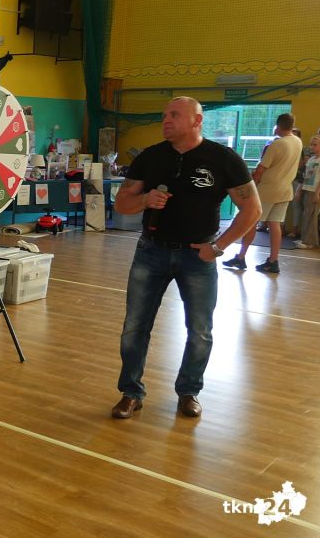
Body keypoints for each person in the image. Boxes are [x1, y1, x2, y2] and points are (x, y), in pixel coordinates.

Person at [110, 96, 260, 420]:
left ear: (197, 120)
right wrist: (145, 200)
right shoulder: (150, 157)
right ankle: (130, 393)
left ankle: (188, 392)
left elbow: (253, 208)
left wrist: (218, 247)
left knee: (200, 330)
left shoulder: (223, 159)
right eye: (165, 115)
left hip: (198, 257)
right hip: (151, 252)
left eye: (175, 115)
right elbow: (121, 203)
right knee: (134, 327)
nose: (166, 120)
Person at [223, 113, 302, 273]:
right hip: (285, 190)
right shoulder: (297, 141)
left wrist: (252, 185)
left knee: (251, 222)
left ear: (277, 126)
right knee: (275, 224)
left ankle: (240, 258)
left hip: (267, 190)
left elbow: (260, 169)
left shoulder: (277, 144)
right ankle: (273, 261)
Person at [294, 134, 320, 249]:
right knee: (307, 214)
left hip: (317, 191)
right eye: (311, 144)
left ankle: (310, 242)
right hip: (308, 189)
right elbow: (306, 175)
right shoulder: (312, 159)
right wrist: (301, 189)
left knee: (312, 215)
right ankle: (304, 238)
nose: (312, 147)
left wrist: (317, 192)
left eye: (315, 145)